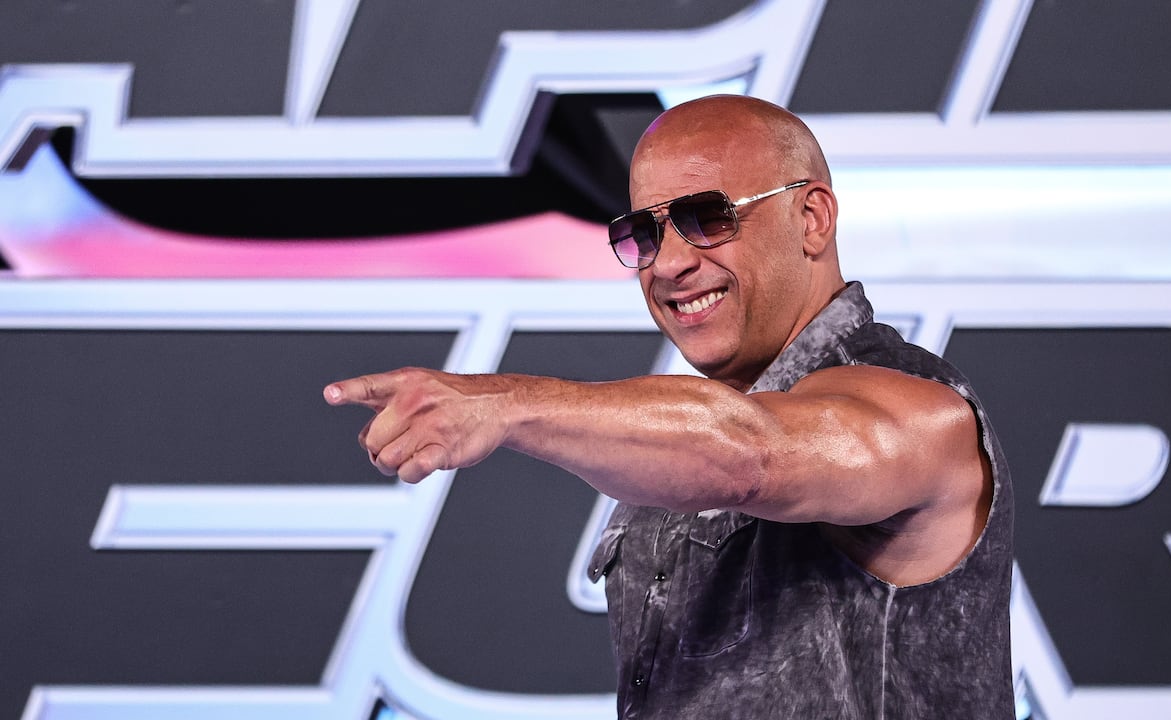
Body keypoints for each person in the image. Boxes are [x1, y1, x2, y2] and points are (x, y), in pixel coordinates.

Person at [324, 95, 1013, 719]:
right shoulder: (677, 429)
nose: (668, 264)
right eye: (645, 235)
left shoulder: (921, 409)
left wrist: (507, 404)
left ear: (811, 219)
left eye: (708, 218)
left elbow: (754, 456)